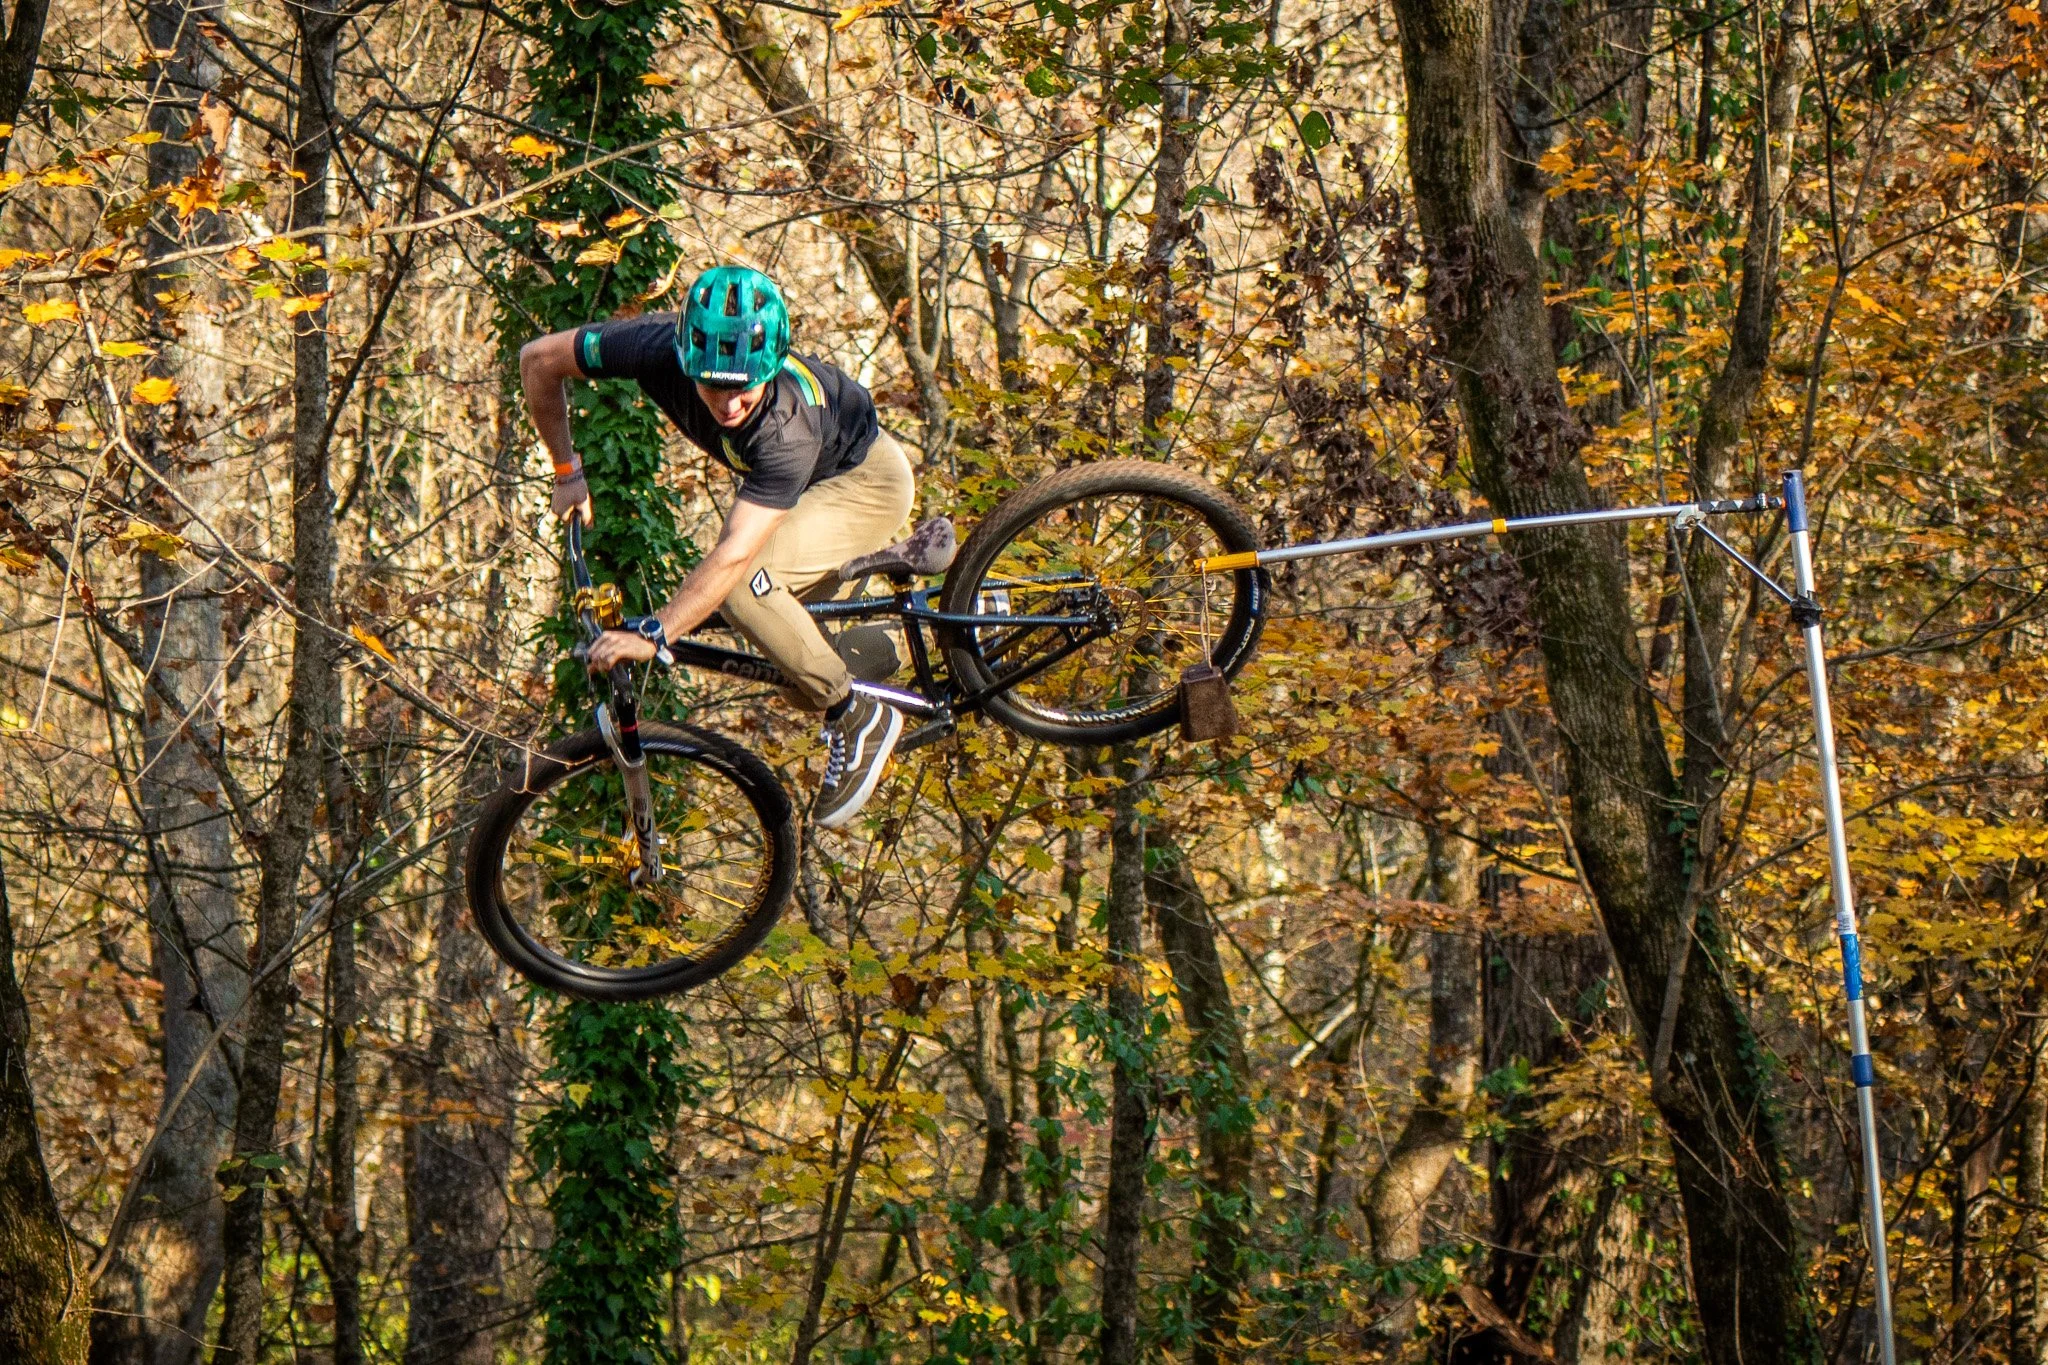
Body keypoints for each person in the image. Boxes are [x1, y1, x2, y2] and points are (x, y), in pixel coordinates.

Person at [520, 266, 911, 829]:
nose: (727, 406)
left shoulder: (785, 428)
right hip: (810, 484)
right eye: (711, 386)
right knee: (792, 665)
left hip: (863, 486)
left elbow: (733, 557)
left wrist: (655, 633)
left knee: (745, 590)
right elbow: (539, 360)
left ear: (770, 369)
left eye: (743, 389)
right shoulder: (653, 346)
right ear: (685, 358)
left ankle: (856, 716)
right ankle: (922, 642)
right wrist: (566, 471)